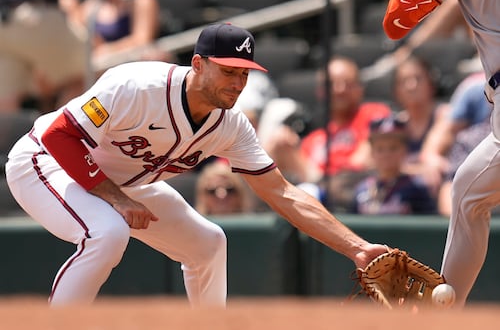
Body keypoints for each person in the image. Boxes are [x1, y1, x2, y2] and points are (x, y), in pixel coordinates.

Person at [4, 22, 390, 306]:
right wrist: (117, 200)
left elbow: (282, 193)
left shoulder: (231, 127)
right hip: (45, 163)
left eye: (244, 74)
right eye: (228, 71)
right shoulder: (136, 86)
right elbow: (59, 136)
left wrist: (356, 248)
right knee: (107, 232)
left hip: (123, 184)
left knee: (207, 244)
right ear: (198, 64)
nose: (238, 84)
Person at [381, 0, 500, 307]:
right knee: (469, 190)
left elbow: (398, 20)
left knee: (470, 196)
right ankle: (442, 310)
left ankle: (440, 316)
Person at [261, 56, 392, 207]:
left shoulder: (374, 114)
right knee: (280, 141)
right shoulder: (315, 138)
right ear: (321, 91)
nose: (339, 89)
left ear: (360, 88)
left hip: (355, 191)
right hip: (314, 193)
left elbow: (360, 163)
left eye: (347, 84)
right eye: (332, 84)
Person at [352, 115, 436, 214]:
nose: (386, 154)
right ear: (372, 152)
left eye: (393, 148)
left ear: (405, 150)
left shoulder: (416, 188)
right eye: (380, 149)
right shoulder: (362, 188)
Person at [391, 54, 449, 193]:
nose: (411, 86)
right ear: (396, 91)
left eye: (418, 79)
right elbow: (374, 163)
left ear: (432, 84)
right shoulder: (393, 123)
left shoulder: (445, 115)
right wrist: (419, 170)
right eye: (404, 81)